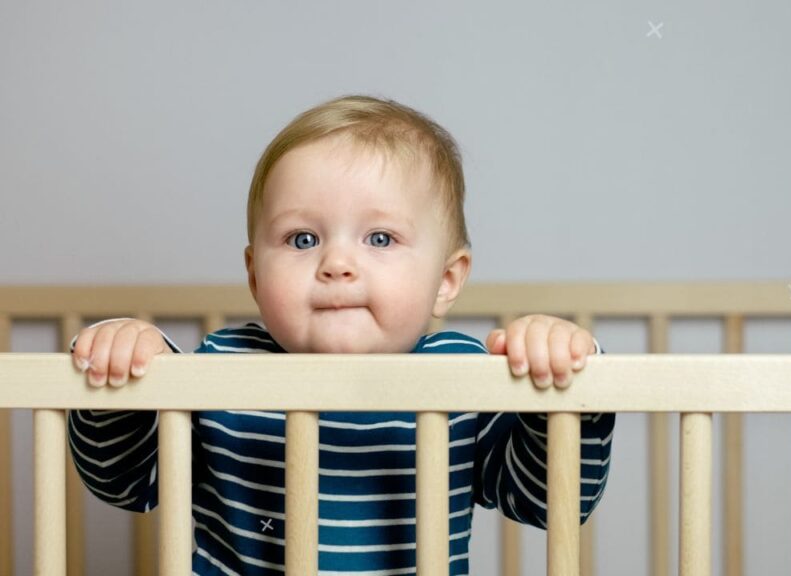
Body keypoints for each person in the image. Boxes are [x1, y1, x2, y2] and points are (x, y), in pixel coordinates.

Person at [67, 95, 615, 575]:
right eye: (302, 238)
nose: (337, 263)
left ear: (446, 281)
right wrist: (128, 374)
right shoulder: (220, 369)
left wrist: (562, 386)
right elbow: (125, 481)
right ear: (256, 275)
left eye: (380, 237)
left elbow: (549, 499)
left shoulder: (460, 375)